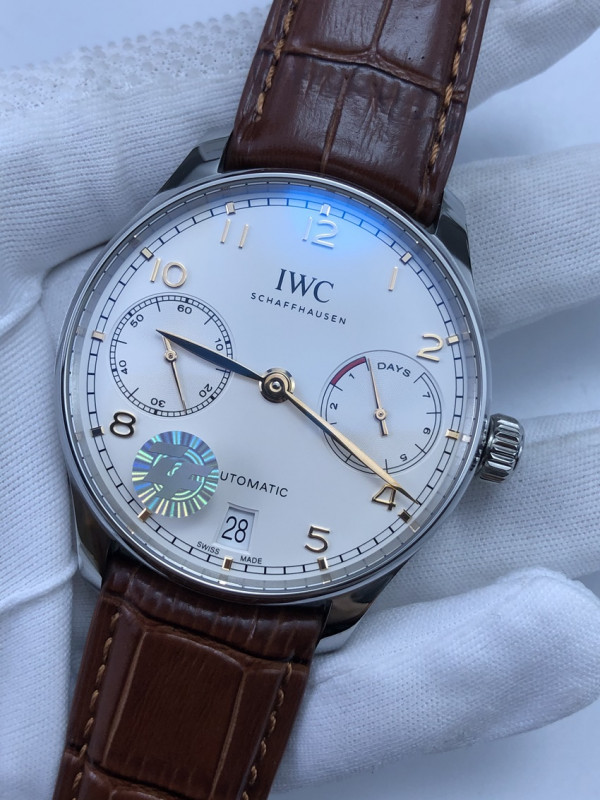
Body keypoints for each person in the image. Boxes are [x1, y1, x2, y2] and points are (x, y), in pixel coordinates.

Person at [1, 2, 599, 798]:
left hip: (229, 558)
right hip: (161, 536)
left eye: (282, 385)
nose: (279, 386)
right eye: (273, 383)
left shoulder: (227, 237)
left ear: (484, 444)